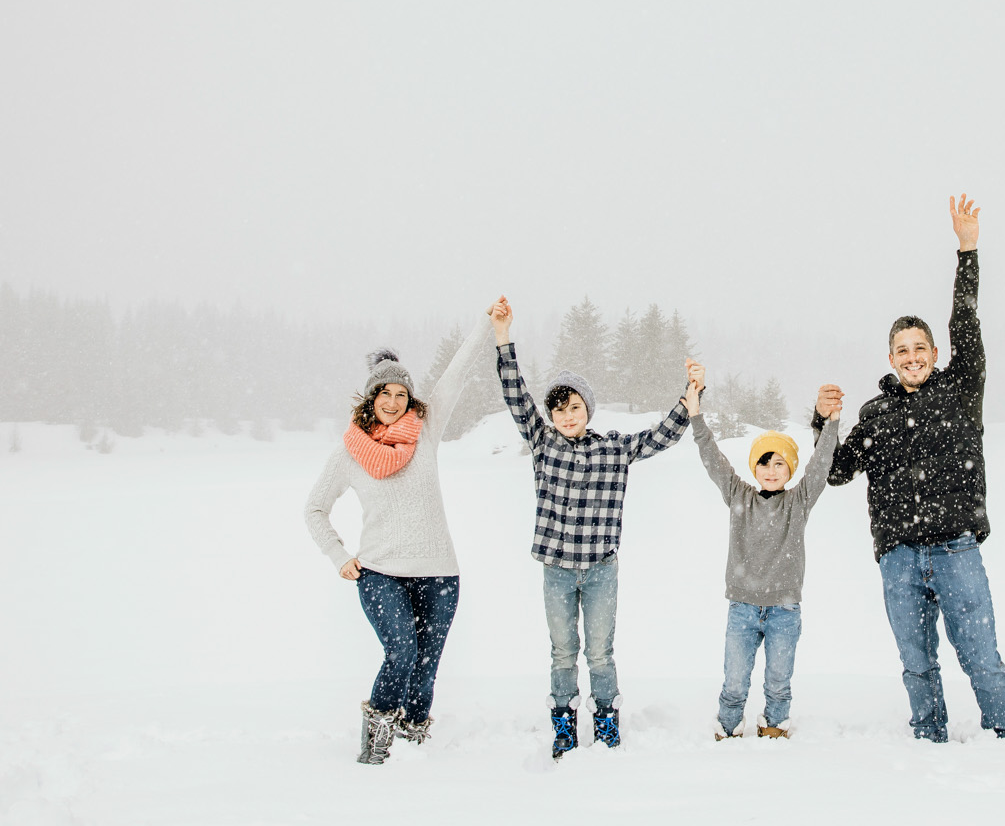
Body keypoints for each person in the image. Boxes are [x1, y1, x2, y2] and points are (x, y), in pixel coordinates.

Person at [821, 194, 1005, 742]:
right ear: (890, 358)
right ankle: (928, 743)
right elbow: (837, 471)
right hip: (898, 556)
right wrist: (823, 423)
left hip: (956, 547)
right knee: (916, 664)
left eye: (920, 347)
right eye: (901, 349)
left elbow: (966, 318)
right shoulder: (877, 413)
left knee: (981, 656)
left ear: (935, 353)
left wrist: (967, 250)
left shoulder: (961, 390)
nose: (912, 356)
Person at [487, 296, 696, 758]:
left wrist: (689, 398)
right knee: (563, 652)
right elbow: (515, 394)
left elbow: (662, 435)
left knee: (600, 652)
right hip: (557, 569)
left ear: (589, 409)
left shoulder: (614, 449)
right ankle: (564, 722)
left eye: (574, 406)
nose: (566, 415)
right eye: (559, 409)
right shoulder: (543, 442)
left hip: (601, 568)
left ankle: (606, 721)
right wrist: (503, 336)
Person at [304, 331, 488, 765]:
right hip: (380, 572)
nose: (392, 400)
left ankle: (415, 743)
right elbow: (315, 509)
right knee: (402, 649)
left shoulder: (425, 432)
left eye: (401, 392)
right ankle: (378, 738)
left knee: (426, 664)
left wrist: (488, 323)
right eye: (384, 393)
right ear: (370, 399)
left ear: (411, 397)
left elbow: (455, 375)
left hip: (439, 571)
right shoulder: (350, 451)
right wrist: (339, 556)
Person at [686, 371, 844, 740]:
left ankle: (775, 724)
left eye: (779, 464)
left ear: (790, 469)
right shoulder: (739, 495)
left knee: (778, 679)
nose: (770, 471)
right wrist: (696, 415)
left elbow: (821, 465)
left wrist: (832, 424)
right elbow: (712, 456)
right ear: (753, 466)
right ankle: (728, 725)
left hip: (784, 609)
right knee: (735, 678)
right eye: (764, 462)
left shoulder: (798, 502)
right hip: (742, 606)